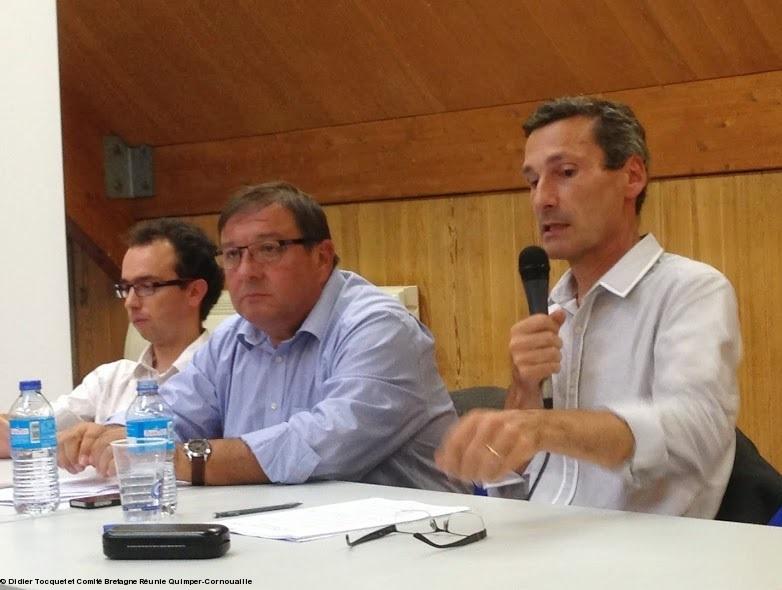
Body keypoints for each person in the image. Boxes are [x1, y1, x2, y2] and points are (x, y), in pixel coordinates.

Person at [436, 96, 740, 518]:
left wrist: (543, 427)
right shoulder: (556, 303)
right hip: (542, 538)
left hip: (645, 557)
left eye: (565, 173)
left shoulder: (691, 289)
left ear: (632, 177)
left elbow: (694, 429)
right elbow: (525, 474)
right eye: (531, 181)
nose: (541, 199)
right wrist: (524, 391)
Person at [59, 182, 467, 493]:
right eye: (233, 255)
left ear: (322, 257)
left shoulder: (378, 326)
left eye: (268, 249)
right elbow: (175, 412)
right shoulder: (233, 338)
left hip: (412, 548)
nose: (247, 271)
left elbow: (326, 443)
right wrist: (115, 433)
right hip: (280, 539)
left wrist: (186, 459)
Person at [0, 218, 223, 457]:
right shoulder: (111, 379)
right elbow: (26, 429)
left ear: (194, 292)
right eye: (126, 288)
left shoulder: (222, 378)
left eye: (147, 286)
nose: (130, 302)